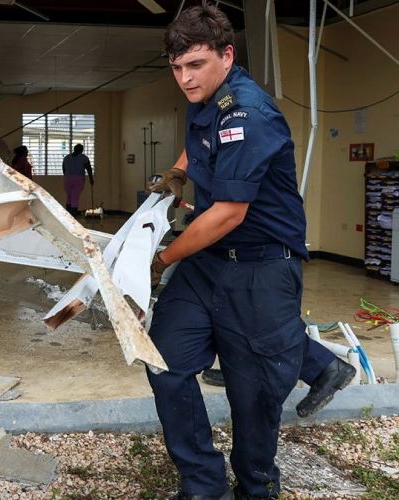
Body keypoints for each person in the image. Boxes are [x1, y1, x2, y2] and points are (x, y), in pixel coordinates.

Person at [144, 6, 327, 499]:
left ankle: (255, 486)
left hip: (262, 267)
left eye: (195, 66)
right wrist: (177, 175)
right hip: (209, 264)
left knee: (254, 395)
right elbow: (197, 145)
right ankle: (203, 484)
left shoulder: (249, 112)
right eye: (177, 68)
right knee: (164, 360)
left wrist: (160, 260)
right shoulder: (204, 99)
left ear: (227, 56)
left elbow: (227, 213)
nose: (184, 79)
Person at [153, 150, 355, 418]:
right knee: (234, 317)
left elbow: (232, 208)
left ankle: (325, 366)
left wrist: (163, 259)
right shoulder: (204, 113)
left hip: (254, 240)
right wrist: (178, 170)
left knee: (260, 325)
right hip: (224, 239)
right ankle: (317, 365)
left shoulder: (249, 118)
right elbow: (198, 136)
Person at [61, 143, 93, 216]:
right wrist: (91, 179)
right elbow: (89, 169)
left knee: (69, 197)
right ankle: (73, 216)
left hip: (67, 179)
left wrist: (67, 176)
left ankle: (68, 216)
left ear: (74, 149)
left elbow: (63, 168)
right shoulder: (83, 157)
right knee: (75, 197)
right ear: (81, 150)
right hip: (78, 179)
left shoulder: (67, 157)